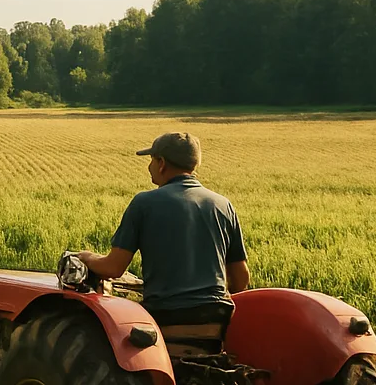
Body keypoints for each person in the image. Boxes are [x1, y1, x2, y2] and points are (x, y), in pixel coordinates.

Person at [76, 132, 250, 328]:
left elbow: (113, 268)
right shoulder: (223, 205)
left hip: (164, 315)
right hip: (215, 318)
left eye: (151, 159)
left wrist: (87, 257)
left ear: (162, 163)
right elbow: (240, 279)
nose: (149, 166)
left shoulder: (144, 203)